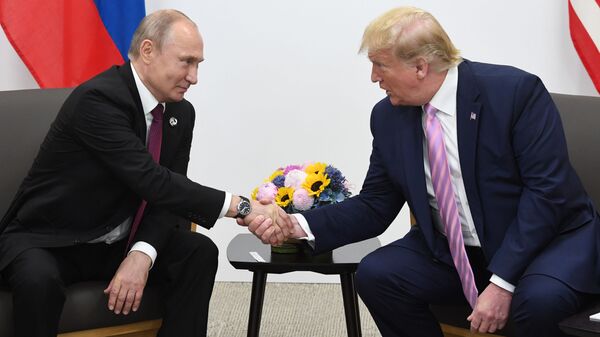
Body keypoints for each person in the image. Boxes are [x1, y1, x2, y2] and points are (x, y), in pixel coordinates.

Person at [246, 6, 600, 337]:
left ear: (420, 67)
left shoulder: (514, 93)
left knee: (537, 302)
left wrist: (503, 282)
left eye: (379, 65)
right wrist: (296, 226)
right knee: (377, 275)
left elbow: (546, 194)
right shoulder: (388, 117)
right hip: (456, 250)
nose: (373, 78)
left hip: (545, 243)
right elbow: (376, 204)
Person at [0, 9, 291, 337]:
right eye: (186, 61)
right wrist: (242, 207)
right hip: (51, 240)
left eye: (198, 65)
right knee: (38, 281)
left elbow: (169, 197)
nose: (193, 77)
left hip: (116, 240)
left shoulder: (180, 112)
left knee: (198, 253)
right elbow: (152, 181)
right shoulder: (98, 101)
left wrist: (142, 253)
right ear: (148, 51)